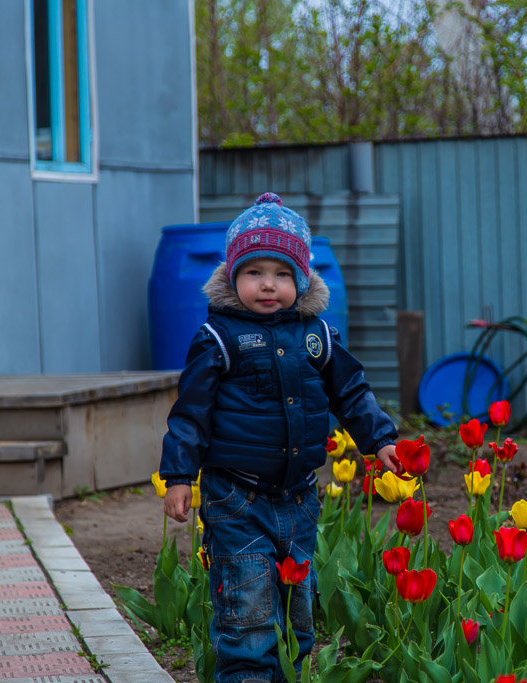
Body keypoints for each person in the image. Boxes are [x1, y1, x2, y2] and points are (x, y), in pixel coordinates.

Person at [158, 192, 400, 683]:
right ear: (232, 275)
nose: (268, 285)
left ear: (302, 278)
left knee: (297, 613)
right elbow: (190, 413)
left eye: (282, 273)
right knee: (247, 613)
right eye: (254, 272)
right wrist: (180, 474)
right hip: (235, 497)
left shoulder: (318, 335)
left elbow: (352, 392)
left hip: (299, 497)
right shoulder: (219, 337)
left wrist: (381, 440)